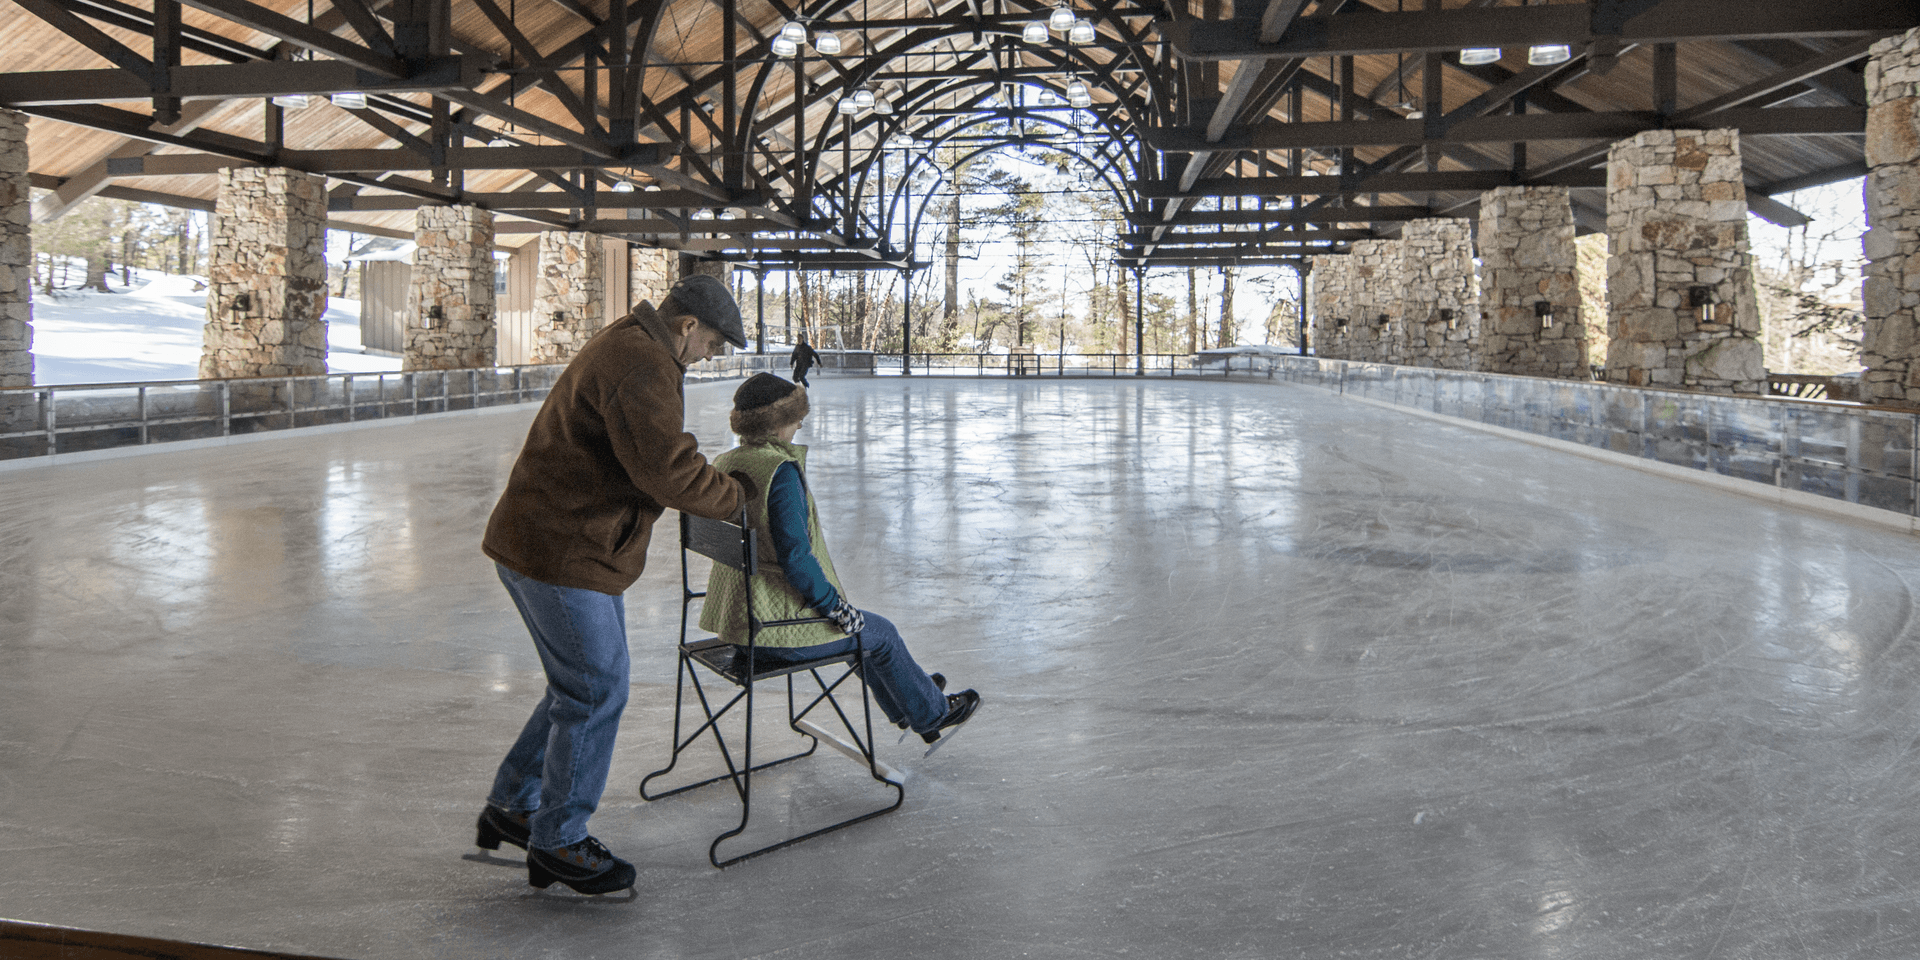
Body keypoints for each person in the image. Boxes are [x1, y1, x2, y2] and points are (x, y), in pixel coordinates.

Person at [476, 274, 749, 896]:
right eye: (713, 343)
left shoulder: (632, 341)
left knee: (577, 686)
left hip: (549, 542)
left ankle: (515, 804)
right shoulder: (643, 365)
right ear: (686, 326)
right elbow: (669, 472)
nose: (713, 355)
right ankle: (560, 841)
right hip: (563, 551)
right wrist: (738, 499)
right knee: (597, 690)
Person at [702, 373, 981, 746]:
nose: (801, 423)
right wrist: (834, 607)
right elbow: (796, 559)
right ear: (776, 422)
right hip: (773, 629)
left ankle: (908, 699)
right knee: (879, 633)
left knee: (862, 635)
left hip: (737, 621)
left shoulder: (726, 460)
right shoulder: (778, 473)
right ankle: (933, 712)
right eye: (795, 416)